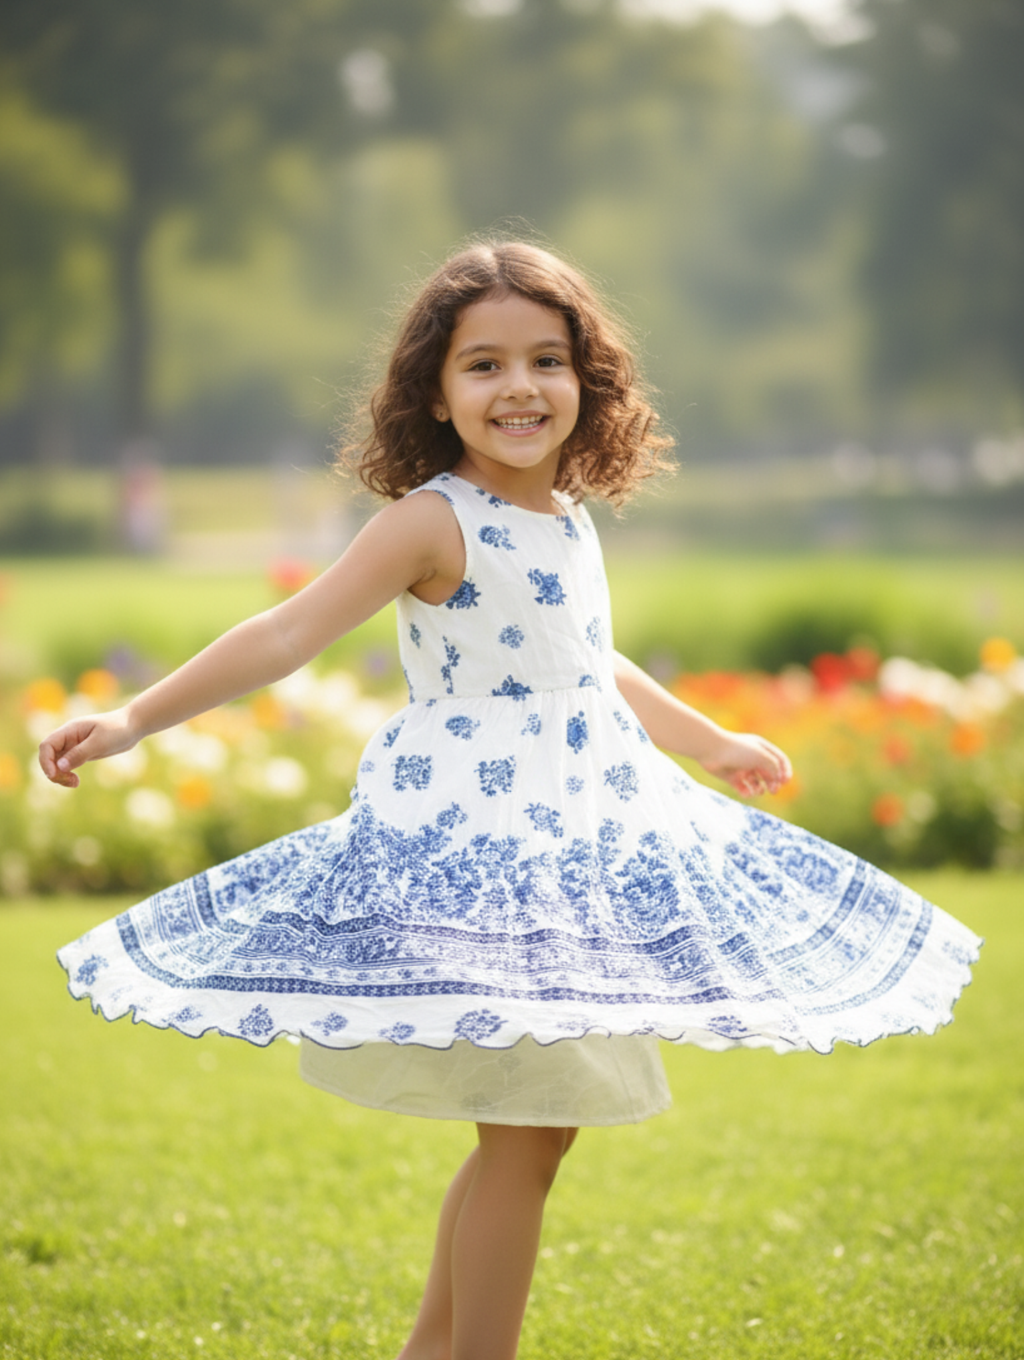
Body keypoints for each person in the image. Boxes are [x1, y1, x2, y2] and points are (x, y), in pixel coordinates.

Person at [40, 240, 981, 1360]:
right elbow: (286, 631)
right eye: (483, 365)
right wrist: (138, 718)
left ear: (590, 381)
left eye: (547, 359)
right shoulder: (430, 521)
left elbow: (594, 663)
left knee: (537, 1133)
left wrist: (708, 742)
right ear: (434, 392)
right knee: (529, 1133)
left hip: (578, 841)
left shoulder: (567, 518)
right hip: (481, 853)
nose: (519, 387)